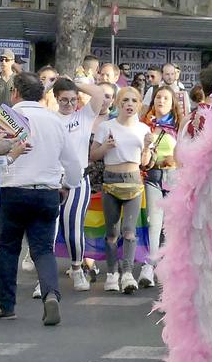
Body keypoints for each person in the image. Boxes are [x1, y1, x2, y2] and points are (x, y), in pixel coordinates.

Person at [0, 71, 74, 325]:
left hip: (14, 190)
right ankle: (50, 293)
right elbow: (71, 161)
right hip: (47, 191)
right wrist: (67, 184)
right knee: (42, 249)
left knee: (9, 248)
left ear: (15, 92)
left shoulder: (8, 117)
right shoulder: (55, 121)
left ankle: (7, 305)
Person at [89, 87, 149, 294]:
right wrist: (105, 147)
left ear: (139, 104)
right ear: (118, 103)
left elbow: (146, 163)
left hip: (133, 180)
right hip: (110, 181)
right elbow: (93, 155)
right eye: (125, 100)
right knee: (112, 233)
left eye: (134, 100)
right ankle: (112, 274)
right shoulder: (106, 127)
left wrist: (149, 148)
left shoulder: (143, 129)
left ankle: (128, 273)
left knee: (130, 232)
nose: (129, 104)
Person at [52, 77, 108, 292]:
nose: (69, 104)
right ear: (56, 99)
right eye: (64, 100)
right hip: (52, 181)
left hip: (78, 180)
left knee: (73, 229)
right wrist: (51, 85)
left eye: (73, 100)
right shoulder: (49, 118)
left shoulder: (83, 116)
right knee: (50, 230)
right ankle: (44, 278)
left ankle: (77, 269)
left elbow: (99, 94)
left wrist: (73, 83)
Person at [138, 85, 186, 287]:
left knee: (172, 226)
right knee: (154, 223)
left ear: (173, 102)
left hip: (174, 177)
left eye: (166, 98)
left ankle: (170, 269)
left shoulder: (180, 125)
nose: (161, 101)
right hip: (152, 175)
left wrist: (174, 158)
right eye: (158, 97)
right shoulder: (145, 125)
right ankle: (149, 266)